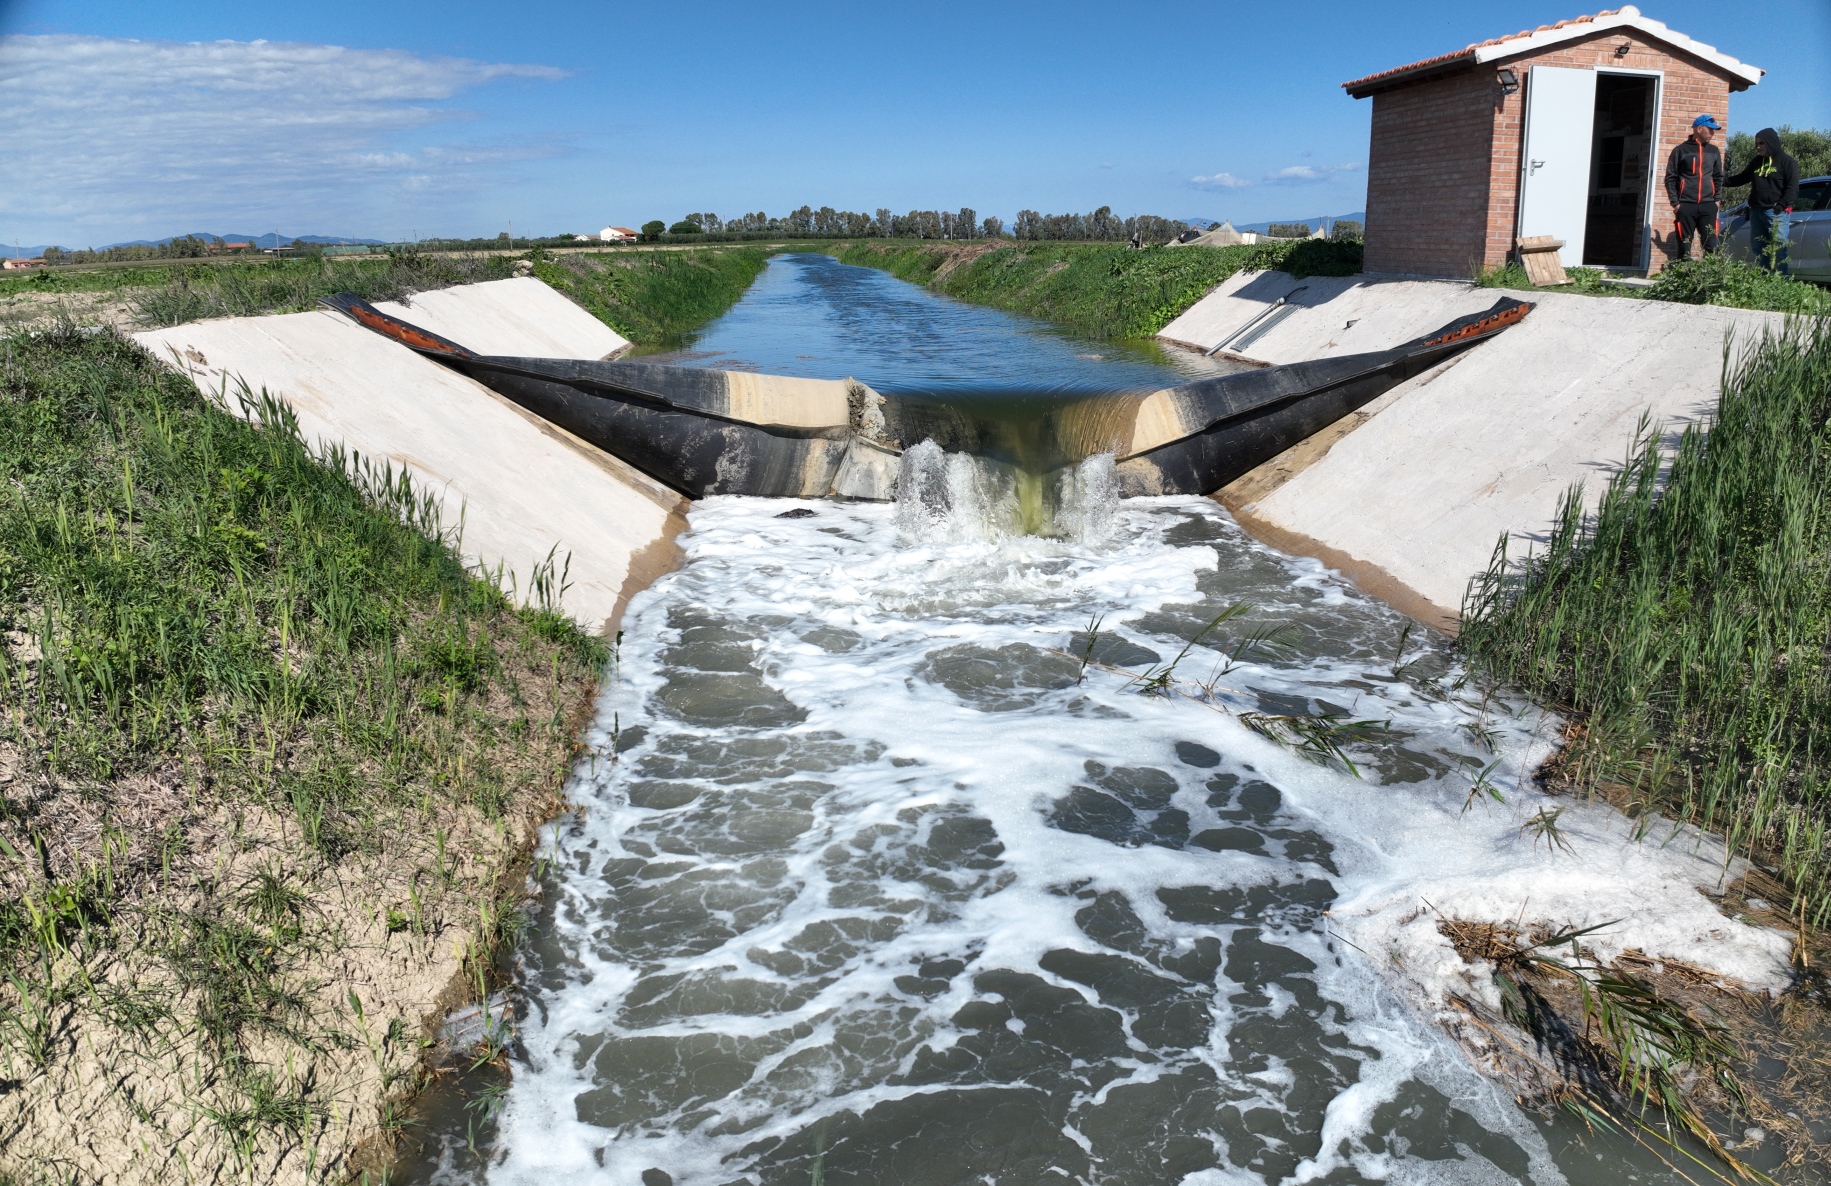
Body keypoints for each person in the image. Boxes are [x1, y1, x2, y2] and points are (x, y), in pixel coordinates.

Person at [1726, 127, 1801, 271]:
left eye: (1761, 143)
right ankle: (1764, 281)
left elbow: (1792, 188)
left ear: (1770, 143)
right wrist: (1722, 181)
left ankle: (1781, 284)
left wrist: (1780, 206)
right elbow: (1742, 178)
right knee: (1758, 249)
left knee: (1779, 249)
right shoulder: (1757, 162)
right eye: (1756, 144)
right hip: (1756, 211)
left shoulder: (1787, 162)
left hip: (1776, 213)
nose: (1758, 147)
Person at [1664, 115, 1725, 260]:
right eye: (1710, 129)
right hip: (1686, 206)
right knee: (1684, 249)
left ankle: (1711, 280)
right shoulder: (1680, 150)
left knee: (1711, 247)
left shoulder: (1713, 151)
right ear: (1699, 128)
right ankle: (1684, 278)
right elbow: (1670, 178)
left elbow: (1718, 177)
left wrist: (1716, 201)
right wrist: (1676, 203)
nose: (1712, 133)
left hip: (1708, 205)